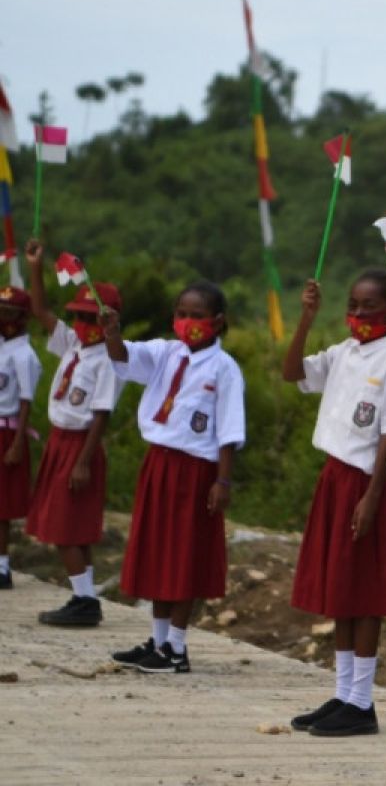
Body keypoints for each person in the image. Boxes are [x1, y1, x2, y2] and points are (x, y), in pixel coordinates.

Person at [283, 272, 386, 737]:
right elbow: (292, 372)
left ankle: (362, 702)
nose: (359, 315)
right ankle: (343, 694)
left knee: (365, 594)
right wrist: (306, 317)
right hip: (334, 478)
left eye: (370, 306)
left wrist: (373, 496)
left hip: (367, 483)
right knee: (340, 590)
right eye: (353, 305)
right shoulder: (343, 352)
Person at [99, 281, 245, 674]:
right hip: (159, 464)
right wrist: (112, 334)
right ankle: (158, 641)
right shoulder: (166, 352)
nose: (187, 322)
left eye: (197, 316)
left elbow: (230, 431)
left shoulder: (224, 369)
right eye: (181, 313)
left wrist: (223, 481)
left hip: (197, 471)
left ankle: (177, 648)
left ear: (217, 322)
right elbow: (125, 357)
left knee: (185, 557)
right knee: (158, 554)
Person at [23, 240, 123, 625]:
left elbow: (101, 414)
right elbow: (40, 310)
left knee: (64, 527)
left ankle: (85, 602)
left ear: (108, 320)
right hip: (58, 440)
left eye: (90, 319)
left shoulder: (109, 360)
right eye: (78, 317)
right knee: (72, 527)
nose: (82, 326)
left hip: (81, 445)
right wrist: (36, 267)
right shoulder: (74, 344)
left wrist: (82, 462)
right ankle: (84, 596)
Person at [0, 283, 42, 590]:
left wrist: (17, 443)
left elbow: (26, 399)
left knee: (3, 505)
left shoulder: (24, 355)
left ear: (22, 317)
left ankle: (2, 565)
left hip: (7, 429)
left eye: (8, 312)